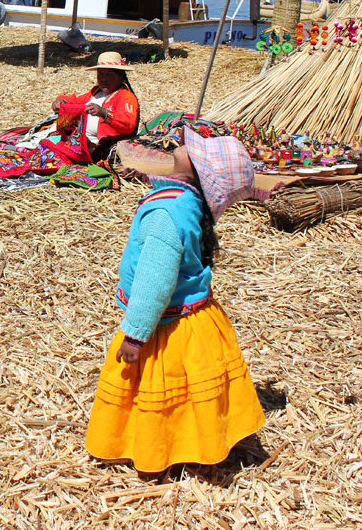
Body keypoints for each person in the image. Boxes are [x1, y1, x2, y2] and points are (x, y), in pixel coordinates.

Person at [86, 132, 265, 473]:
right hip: (199, 319)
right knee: (196, 386)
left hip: (167, 323)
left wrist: (136, 333)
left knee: (159, 387)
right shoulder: (186, 200)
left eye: (190, 149)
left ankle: (161, 450)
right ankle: (204, 438)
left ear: (196, 171)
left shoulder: (166, 213)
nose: (179, 146)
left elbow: (156, 279)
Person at [49, 51, 140, 162]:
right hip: (78, 140)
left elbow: (128, 125)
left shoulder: (126, 97)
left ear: (121, 76)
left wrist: (104, 113)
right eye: (100, 74)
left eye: (109, 75)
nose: (103, 79)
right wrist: (62, 101)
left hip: (96, 148)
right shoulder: (96, 91)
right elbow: (77, 101)